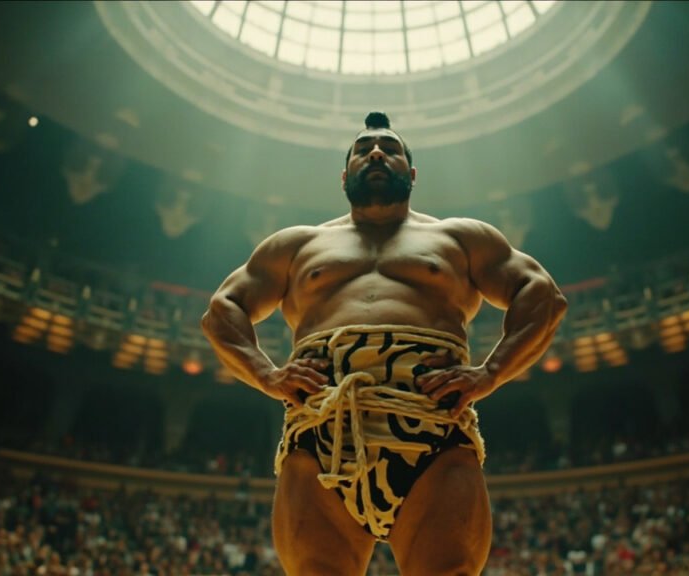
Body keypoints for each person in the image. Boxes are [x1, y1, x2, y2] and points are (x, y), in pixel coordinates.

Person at [202, 111, 568, 575]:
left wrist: (490, 373)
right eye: (363, 150)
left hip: (433, 428)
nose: (376, 153)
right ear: (344, 176)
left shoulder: (458, 238)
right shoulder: (297, 245)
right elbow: (223, 309)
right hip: (322, 432)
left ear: (411, 174)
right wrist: (266, 375)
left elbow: (542, 295)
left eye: (389, 149)